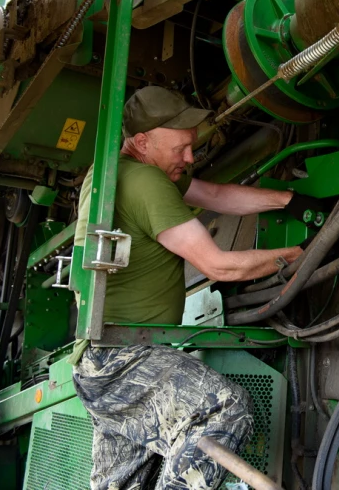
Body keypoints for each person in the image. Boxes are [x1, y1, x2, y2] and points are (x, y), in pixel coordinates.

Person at [70, 86, 315, 489]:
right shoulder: (146, 181)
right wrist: (296, 256)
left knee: (124, 481)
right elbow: (217, 266)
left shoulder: (119, 173)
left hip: (98, 363)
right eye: (181, 148)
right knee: (225, 409)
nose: (190, 158)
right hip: (125, 357)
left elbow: (215, 195)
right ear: (143, 141)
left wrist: (288, 200)